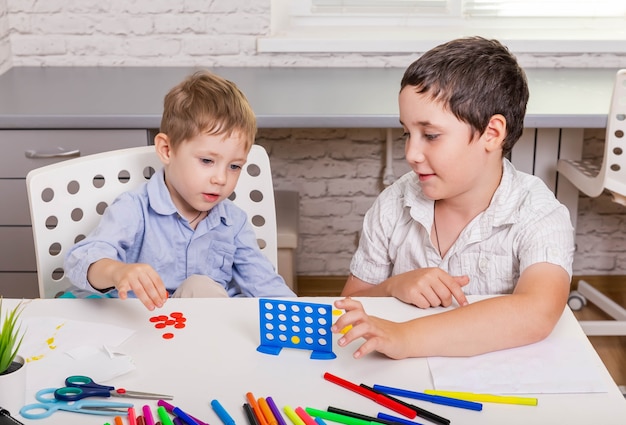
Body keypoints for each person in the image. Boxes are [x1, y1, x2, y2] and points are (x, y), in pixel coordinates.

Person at [332, 36, 575, 359]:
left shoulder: (539, 214)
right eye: (407, 133)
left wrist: (406, 337)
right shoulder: (395, 202)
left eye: (430, 135)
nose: (411, 153)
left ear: (492, 133)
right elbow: (352, 302)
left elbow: (537, 312)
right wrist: (394, 286)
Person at [65, 70, 295, 310]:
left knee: (202, 288)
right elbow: (82, 260)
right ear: (167, 150)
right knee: (200, 287)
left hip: (201, 332)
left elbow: (265, 285)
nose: (220, 178)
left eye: (235, 166)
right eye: (207, 161)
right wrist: (117, 271)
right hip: (141, 327)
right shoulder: (133, 208)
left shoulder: (233, 222)